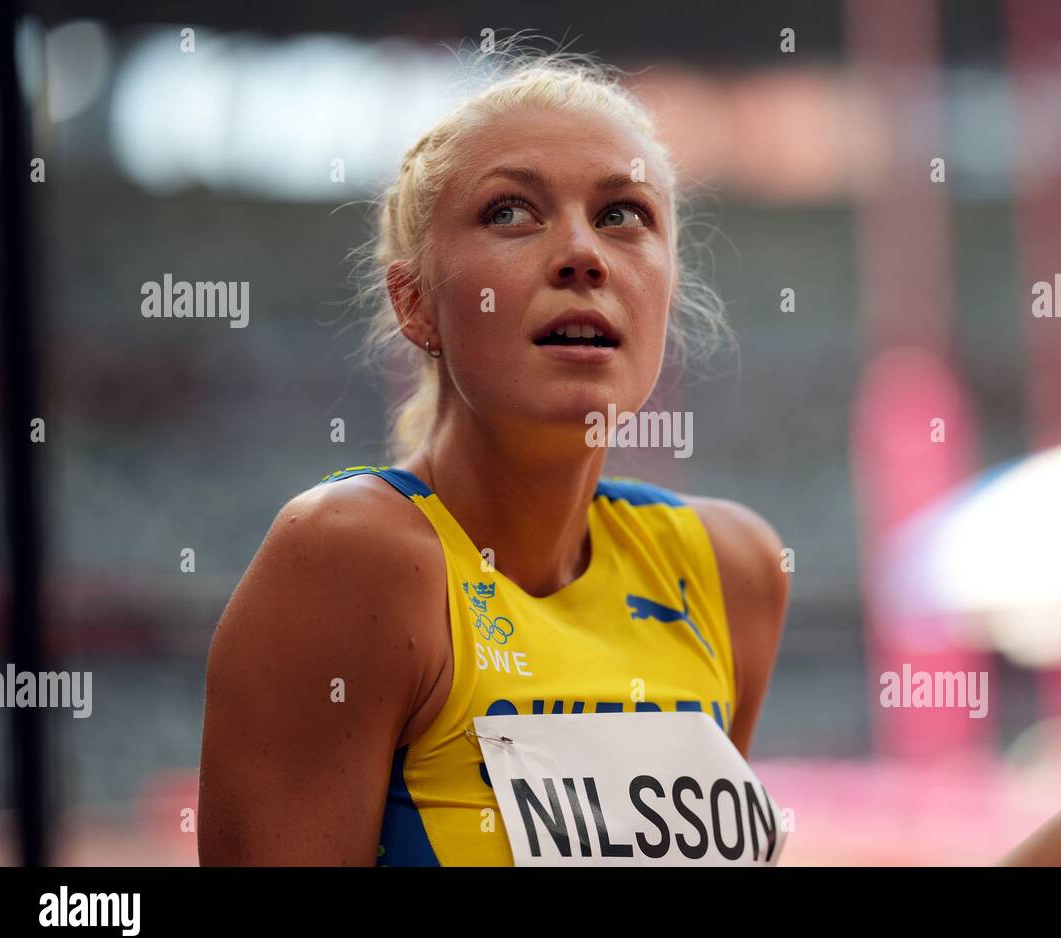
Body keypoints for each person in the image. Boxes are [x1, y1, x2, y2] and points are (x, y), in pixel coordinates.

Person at [197, 48, 790, 866]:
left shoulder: (734, 573)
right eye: (511, 212)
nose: (584, 253)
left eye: (624, 214)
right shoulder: (351, 558)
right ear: (416, 303)